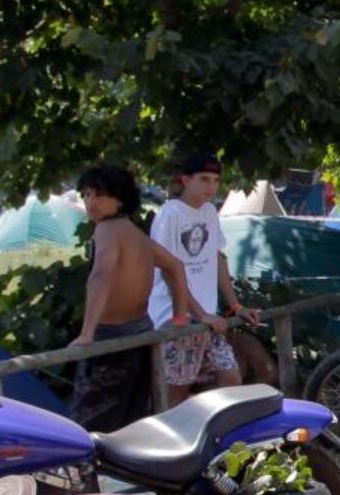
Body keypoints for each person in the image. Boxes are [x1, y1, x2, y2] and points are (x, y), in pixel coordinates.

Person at [69, 165, 215, 432]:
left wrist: (87, 334)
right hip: (141, 333)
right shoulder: (135, 233)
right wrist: (179, 317)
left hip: (109, 338)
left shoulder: (107, 230)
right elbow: (175, 266)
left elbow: (101, 276)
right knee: (130, 419)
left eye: (100, 195)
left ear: (120, 198)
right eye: (87, 195)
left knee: (90, 425)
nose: (91, 202)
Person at [147, 152, 269, 407]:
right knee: (175, 392)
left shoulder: (210, 211)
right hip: (176, 318)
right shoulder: (171, 213)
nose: (211, 186)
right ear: (185, 180)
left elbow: (217, 258)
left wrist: (236, 305)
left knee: (231, 378)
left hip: (208, 319)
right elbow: (169, 271)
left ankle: (207, 424)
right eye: (204, 179)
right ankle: (173, 430)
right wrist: (199, 314)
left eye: (216, 180)